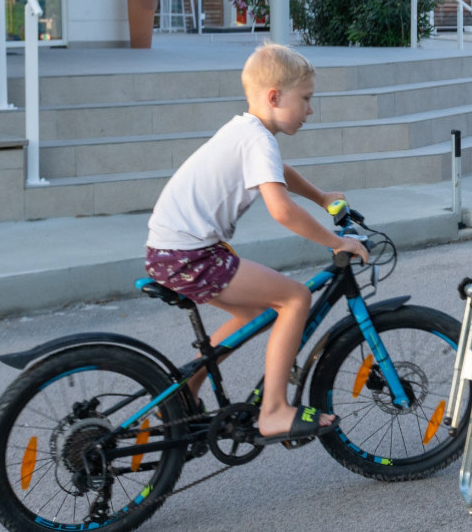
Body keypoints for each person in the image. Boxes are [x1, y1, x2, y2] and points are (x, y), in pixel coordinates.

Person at [143, 43, 368, 441]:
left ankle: (185, 394)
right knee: (295, 298)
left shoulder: (246, 130)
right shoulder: (257, 139)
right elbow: (280, 210)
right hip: (190, 254)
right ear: (274, 96)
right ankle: (276, 410)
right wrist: (336, 241)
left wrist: (321, 197)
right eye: (307, 99)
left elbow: (277, 170)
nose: (311, 110)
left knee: (253, 315)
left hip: (174, 250)